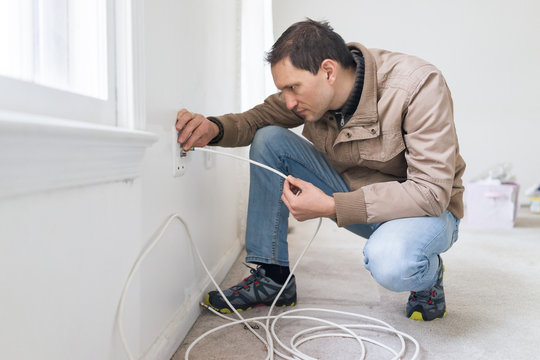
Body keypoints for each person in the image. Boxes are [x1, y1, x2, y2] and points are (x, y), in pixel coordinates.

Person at [175, 19, 465, 321]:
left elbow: (431, 193)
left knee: (393, 262)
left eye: (293, 87)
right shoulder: (311, 94)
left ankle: (429, 276)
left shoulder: (418, 85)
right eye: (283, 90)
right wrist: (214, 128)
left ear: (328, 71)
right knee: (269, 138)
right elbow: (256, 119)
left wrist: (331, 205)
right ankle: (272, 278)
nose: (289, 101)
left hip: (427, 211)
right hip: (357, 200)